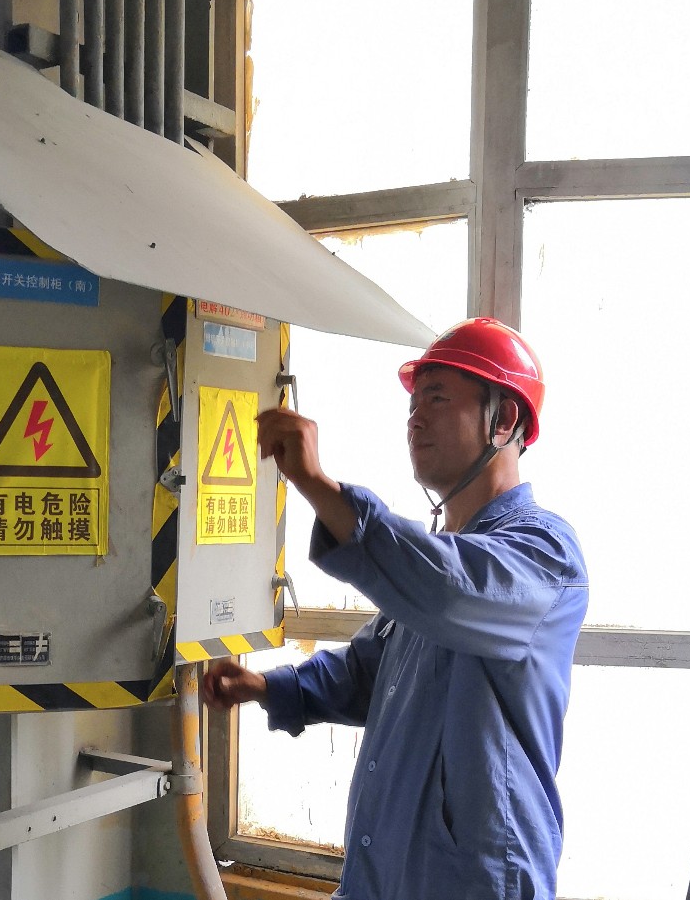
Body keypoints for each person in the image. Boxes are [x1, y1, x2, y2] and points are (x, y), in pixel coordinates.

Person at [202, 317, 589, 900]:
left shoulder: (544, 554)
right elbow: (371, 672)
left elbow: (449, 591)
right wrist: (267, 686)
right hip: (383, 876)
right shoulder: (432, 562)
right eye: (413, 402)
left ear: (505, 419)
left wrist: (317, 484)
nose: (415, 416)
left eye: (438, 398)